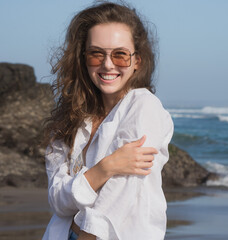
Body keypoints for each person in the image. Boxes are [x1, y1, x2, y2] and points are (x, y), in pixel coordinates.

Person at [41, 2, 173, 240]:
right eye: (96, 54)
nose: (108, 64)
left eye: (120, 55)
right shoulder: (69, 120)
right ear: (83, 58)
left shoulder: (144, 106)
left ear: (137, 62)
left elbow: (123, 191)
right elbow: (58, 202)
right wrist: (105, 168)